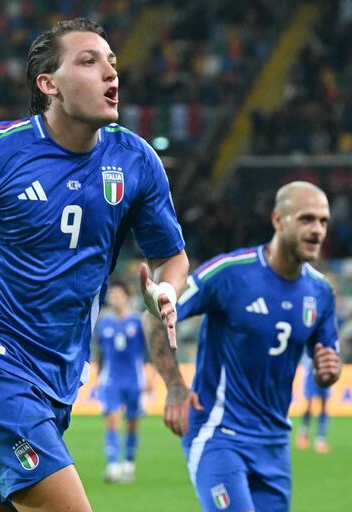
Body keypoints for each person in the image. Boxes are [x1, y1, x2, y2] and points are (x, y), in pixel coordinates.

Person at [0, 18, 189, 512]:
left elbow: (170, 257)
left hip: (56, 382)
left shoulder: (135, 161)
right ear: (49, 85)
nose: (111, 73)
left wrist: (166, 291)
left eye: (112, 62)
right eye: (89, 61)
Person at [145, 181, 341, 512]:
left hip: (274, 443)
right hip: (219, 433)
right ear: (278, 220)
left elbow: (327, 362)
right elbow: (154, 318)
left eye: (323, 221)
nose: (317, 230)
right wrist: (176, 386)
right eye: (307, 219)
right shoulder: (230, 274)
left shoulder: (320, 292)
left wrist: (329, 372)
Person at [296, 279, 352, 454]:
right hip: (311, 366)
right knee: (309, 403)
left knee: (324, 404)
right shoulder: (310, 317)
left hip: (327, 365)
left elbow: (350, 315)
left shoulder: (333, 321)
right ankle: (304, 433)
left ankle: (321, 438)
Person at [94, 280, 148, 483]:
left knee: (132, 423)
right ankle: (113, 466)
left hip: (134, 379)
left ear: (127, 296)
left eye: (117, 294)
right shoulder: (104, 324)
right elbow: (100, 354)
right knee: (112, 420)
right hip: (111, 380)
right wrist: (98, 377)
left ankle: (128, 463)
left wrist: (150, 377)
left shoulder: (138, 322)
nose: (114, 298)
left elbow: (148, 352)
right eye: (111, 295)